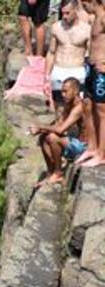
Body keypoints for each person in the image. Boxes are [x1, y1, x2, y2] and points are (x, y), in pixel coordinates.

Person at [30, 78, 91, 186]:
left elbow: (61, 129)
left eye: (65, 91)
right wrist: (41, 130)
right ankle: (51, 173)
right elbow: (59, 124)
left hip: (84, 147)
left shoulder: (80, 107)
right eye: (62, 91)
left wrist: (40, 126)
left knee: (53, 138)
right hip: (75, 143)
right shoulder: (69, 104)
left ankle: (58, 173)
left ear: (75, 91)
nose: (63, 95)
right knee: (44, 137)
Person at [45, 0, 90, 111]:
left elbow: (90, 55)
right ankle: (60, 127)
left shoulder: (86, 30)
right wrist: (46, 75)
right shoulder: (56, 27)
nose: (64, 16)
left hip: (77, 71)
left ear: (76, 11)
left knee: (79, 108)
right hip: (59, 69)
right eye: (63, 13)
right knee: (59, 108)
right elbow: (51, 52)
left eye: (68, 13)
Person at [80, 0, 105, 167]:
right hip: (91, 67)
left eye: (84, 4)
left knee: (102, 111)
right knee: (87, 105)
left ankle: (102, 154)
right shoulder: (95, 17)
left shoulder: (104, 18)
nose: (83, 8)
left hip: (101, 70)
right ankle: (92, 147)